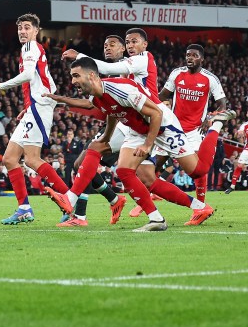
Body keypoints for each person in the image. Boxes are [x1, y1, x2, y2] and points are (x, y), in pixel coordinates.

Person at [49, 58, 227, 231]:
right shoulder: (97, 95)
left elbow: (156, 113)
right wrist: (106, 136)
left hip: (162, 126)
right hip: (136, 128)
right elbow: (111, 111)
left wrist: (148, 145)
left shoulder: (121, 89)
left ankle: (217, 124)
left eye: (76, 76)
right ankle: (157, 218)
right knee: (118, 165)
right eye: (72, 76)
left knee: (198, 170)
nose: (73, 81)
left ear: (93, 75)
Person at [0, 13, 73, 225]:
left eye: (27, 27)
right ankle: (24, 208)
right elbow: (42, 81)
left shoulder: (30, 47)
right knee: (9, 159)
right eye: (20, 28)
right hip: (36, 107)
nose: (22, 31)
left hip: (40, 107)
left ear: (36, 30)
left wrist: (1, 85)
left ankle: (71, 200)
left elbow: (28, 75)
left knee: (32, 159)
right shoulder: (30, 49)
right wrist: (28, 107)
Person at [54, 35, 130, 227]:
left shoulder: (130, 66)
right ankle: (114, 201)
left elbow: (99, 68)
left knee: (84, 162)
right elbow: (91, 104)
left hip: (129, 125)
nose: (107, 48)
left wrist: (79, 55)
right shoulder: (111, 77)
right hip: (119, 124)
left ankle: (79, 214)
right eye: (105, 45)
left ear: (123, 49)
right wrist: (60, 99)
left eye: (113, 45)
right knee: (82, 165)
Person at [157, 44, 229, 225]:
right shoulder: (176, 74)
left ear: (202, 59)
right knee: (155, 165)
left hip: (195, 131)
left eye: (194, 55)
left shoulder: (209, 79)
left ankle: (200, 207)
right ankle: (146, 203)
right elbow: (162, 95)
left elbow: (222, 104)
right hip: (172, 128)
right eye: (188, 55)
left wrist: (210, 118)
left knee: (198, 171)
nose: (190, 58)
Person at [227, 120, 248, 193]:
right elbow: (237, 136)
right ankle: (232, 186)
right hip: (246, 149)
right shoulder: (244, 125)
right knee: (239, 166)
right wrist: (238, 134)